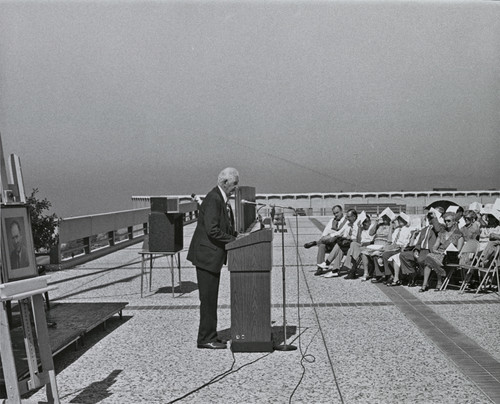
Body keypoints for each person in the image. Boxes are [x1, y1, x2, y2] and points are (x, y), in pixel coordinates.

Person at [187, 167, 239, 349]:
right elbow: (212, 230)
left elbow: (221, 227)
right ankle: (205, 339)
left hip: (210, 258)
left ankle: (211, 335)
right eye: (234, 185)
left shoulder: (219, 198)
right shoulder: (214, 199)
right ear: (224, 183)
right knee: (208, 300)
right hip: (206, 257)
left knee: (211, 299)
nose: (235, 189)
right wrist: (234, 240)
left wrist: (235, 235)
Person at [419, 212, 464, 292]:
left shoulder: (459, 234)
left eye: (449, 221)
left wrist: (445, 252)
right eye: (445, 221)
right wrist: (437, 251)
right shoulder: (442, 233)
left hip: (451, 256)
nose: (446, 223)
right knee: (430, 258)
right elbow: (435, 246)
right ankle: (426, 283)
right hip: (440, 254)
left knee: (430, 258)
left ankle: (435, 282)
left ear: (454, 222)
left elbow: (459, 250)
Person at [303, 205, 348, 276]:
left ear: (341, 211)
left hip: (340, 244)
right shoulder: (332, 221)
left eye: (337, 212)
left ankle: (315, 243)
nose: (336, 215)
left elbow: (342, 233)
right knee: (322, 245)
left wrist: (331, 235)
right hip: (330, 243)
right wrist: (326, 237)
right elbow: (325, 233)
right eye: (334, 213)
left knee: (334, 237)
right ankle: (320, 268)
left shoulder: (347, 221)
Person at [317, 209, 358, 278]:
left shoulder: (357, 225)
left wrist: (348, 237)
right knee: (340, 247)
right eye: (347, 217)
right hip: (347, 244)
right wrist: (330, 236)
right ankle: (334, 270)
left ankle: (328, 264)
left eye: (348, 217)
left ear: (354, 217)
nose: (347, 219)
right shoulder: (348, 224)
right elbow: (339, 232)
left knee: (339, 246)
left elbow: (357, 238)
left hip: (354, 245)